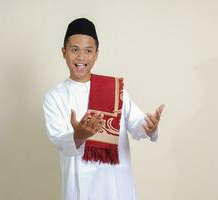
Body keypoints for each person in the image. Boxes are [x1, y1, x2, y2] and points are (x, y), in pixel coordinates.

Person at [42, 18, 164, 200]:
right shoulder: (54, 96)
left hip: (117, 185)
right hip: (80, 188)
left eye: (88, 51)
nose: (81, 57)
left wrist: (149, 127)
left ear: (96, 54)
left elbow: (137, 124)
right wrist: (79, 135)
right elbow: (59, 139)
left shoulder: (114, 89)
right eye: (75, 50)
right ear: (64, 52)